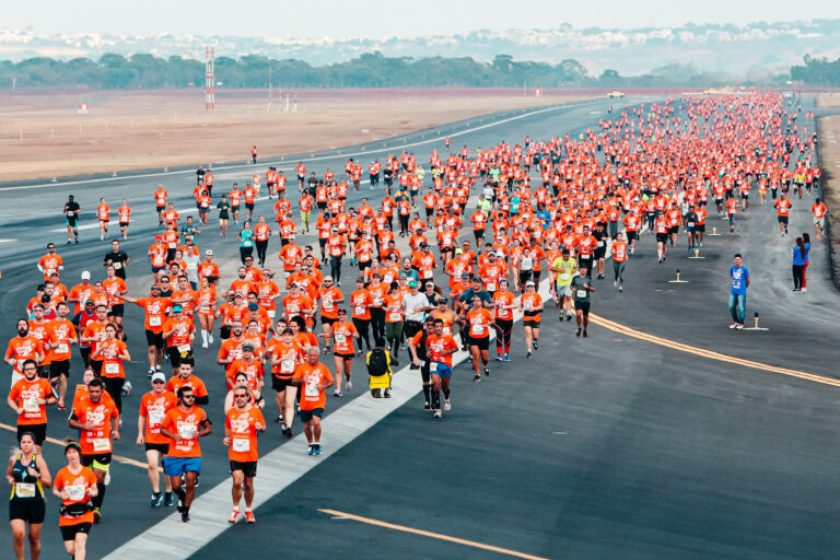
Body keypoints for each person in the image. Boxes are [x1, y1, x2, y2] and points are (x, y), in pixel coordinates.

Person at [68, 378, 119, 523]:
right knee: (88, 479)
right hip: (86, 447)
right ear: (88, 391)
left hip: (103, 446)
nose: (95, 394)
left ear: (102, 391)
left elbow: (116, 415)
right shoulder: (82, 403)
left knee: (99, 477)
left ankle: (96, 508)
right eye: (92, 392)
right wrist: (84, 426)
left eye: (97, 391)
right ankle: (88, 503)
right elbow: (71, 422)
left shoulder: (108, 402)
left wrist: (115, 430)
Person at [161, 386, 212, 523]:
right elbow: (162, 429)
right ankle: (182, 497)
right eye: (187, 396)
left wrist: (199, 433)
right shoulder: (172, 413)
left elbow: (209, 428)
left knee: (190, 481)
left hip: (193, 453)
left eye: (192, 396)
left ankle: (186, 511)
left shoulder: (200, 412)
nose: (191, 398)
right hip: (175, 453)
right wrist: (173, 435)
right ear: (180, 398)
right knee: (176, 486)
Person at [224, 385, 266, 524]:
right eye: (237, 396)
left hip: (250, 453)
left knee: (248, 484)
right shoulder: (231, 413)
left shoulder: (255, 412)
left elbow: (264, 427)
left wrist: (260, 427)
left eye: (242, 396)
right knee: (236, 481)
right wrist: (226, 438)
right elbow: (228, 429)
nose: (239, 398)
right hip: (235, 453)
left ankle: (248, 509)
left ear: (248, 397)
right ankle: (235, 508)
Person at [7, 431, 51, 560]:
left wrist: (37, 475)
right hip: (17, 501)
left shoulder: (38, 461)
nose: (26, 445)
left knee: (34, 538)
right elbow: (9, 474)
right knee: (18, 533)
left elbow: (48, 483)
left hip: (35, 502)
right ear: (20, 444)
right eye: (23, 442)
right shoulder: (14, 459)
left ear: (33, 445)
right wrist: (10, 479)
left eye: (29, 442)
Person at [137, 372, 178, 508]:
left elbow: (178, 415)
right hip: (151, 437)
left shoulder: (172, 398)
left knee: (167, 467)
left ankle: (168, 491)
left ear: (165, 383)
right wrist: (140, 434)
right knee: (152, 465)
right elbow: (142, 416)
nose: (158, 385)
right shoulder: (146, 398)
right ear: (152, 383)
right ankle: (156, 492)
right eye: (156, 382)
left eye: (161, 382)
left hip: (168, 437)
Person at [53, 441, 97, 560]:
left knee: (80, 542)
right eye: (69, 453)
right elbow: (55, 489)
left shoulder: (88, 472)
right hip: (67, 516)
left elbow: (95, 490)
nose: (71, 455)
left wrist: (91, 492)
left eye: (74, 452)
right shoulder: (62, 473)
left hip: (85, 514)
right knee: (70, 549)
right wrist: (61, 494)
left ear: (79, 454)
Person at [292, 347, 335, 456]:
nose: (312, 357)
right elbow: (294, 380)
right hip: (305, 402)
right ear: (307, 356)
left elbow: (331, 381)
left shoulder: (323, 368)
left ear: (318, 356)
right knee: (307, 426)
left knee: (316, 421)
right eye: (310, 355)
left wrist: (323, 386)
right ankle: (310, 443)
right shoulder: (302, 367)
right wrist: (303, 380)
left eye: (314, 355)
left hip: (318, 402)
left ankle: (317, 443)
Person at [7, 359, 56, 451]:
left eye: (32, 369)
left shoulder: (44, 383)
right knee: (24, 451)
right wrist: (16, 409)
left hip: (39, 422)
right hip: (23, 422)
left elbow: (54, 398)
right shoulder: (18, 385)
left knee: (36, 451)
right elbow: (10, 399)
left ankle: (35, 465)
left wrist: (45, 401)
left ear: (36, 370)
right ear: (23, 371)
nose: (29, 371)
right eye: (27, 369)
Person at [426, 318, 459, 418]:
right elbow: (428, 347)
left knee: (444, 387)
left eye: (440, 326)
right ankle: (438, 409)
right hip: (434, 364)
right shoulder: (430, 338)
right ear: (434, 328)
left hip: (446, 364)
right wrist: (428, 352)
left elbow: (456, 348)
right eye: (436, 326)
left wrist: (447, 352)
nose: (438, 328)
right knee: (436, 384)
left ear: (443, 327)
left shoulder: (448, 338)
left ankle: (447, 398)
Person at [328, 308, 359, 397]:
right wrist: (323, 335)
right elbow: (331, 334)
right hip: (338, 350)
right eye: (339, 314)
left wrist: (350, 334)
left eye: (343, 314)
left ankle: (348, 380)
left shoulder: (349, 325)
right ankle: (338, 390)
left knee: (347, 371)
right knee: (338, 369)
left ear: (346, 316)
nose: (341, 316)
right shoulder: (335, 324)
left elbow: (357, 335)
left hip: (348, 351)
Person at [464, 295, 493, 380]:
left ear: (481, 302)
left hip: (484, 337)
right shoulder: (470, 312)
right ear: (473, 303)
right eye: (475, 301)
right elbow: (467, 322)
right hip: (473, 337)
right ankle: (477, 374)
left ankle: (486, 366)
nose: (476, 302)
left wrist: (487, 324)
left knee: (485, 358)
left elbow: (492, 320)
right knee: (476, 355)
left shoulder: (485, 312)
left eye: (478, 300)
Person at [570, 265, 595, 338]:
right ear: (579, 269)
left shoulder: (588, 279)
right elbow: (571, 286)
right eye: (582, 269)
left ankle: (585, 329)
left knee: (585, 317)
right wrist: (572, 289)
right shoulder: (575, 278)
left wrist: (588, 287)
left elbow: (593, 289)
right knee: (578, 313)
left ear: (586, 270)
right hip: (578, 300)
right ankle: (579, 327)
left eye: (584, 269)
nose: (583, 270)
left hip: (586, 301)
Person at [520, 281, 543, 358]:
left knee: (535, 335)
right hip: (526, 317)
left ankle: (535, 340)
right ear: (526, 288)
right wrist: (520, 309)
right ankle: (529, 351)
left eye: (531, 286)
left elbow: (541, 307)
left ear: (533, 287)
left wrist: (534, 308)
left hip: (535, 317)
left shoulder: (537, 296)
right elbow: (521, 305)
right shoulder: (523, 296)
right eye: (528, 286)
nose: (530, 288)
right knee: (528, 333)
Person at [728, 253, 750, 329]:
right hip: (734, 291)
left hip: (741, 292)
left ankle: (741, 323)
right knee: (731, 307)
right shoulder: (732, 268)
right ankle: (735, 321)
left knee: (741, 308)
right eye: (736, 259)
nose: (737, 261)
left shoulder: (744, 269)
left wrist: (744, 287)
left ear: (741, 260)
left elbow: (748, 280)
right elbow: (732, 277)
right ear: (734, 260)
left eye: (739, 259)